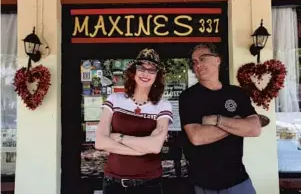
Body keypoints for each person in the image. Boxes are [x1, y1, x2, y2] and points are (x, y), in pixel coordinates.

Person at [179, 43, 261, 194]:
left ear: (217, 60)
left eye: (202, 58)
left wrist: (218, 120)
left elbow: (255, 129)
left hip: (238, 181)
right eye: (194, 62)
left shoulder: (237, 94)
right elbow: (197, 137)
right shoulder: (188, 97)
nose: (198, 64)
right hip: (203, 184)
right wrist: (237, 123)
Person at [95, 48, 173, 194]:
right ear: (133, 71)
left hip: (148, 184)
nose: (146, 73)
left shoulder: (163, 105)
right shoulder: (115, 99)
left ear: (157, 75)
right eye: (141, 67)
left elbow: (155, 147)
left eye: (152, 70)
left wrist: (119, 137)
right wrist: (142, 149)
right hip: (113, 183)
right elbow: (100, 142)